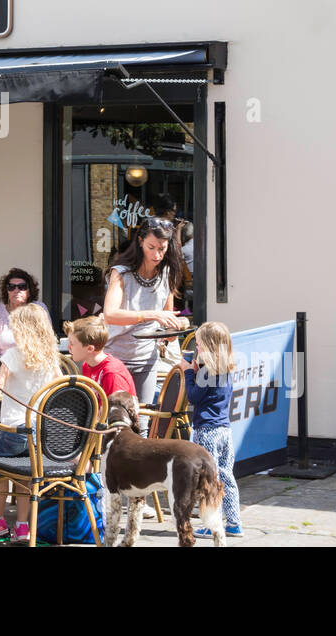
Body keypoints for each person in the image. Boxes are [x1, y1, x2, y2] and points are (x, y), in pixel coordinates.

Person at [0, 302, 60, 543]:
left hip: (13, 428)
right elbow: (60, 387)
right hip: (38, 430)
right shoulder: (50, 356)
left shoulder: (13, 355)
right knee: (25, 475)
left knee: (2, 474)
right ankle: (22, 526)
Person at [102, 217, 189, 406]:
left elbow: (166, 323)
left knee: (142, 424)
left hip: (147, 358)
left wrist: (175, 329)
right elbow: (110, 314)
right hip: (116, 358)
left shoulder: (168, 273)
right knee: (117, 423)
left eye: (162, 249)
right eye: (151, 247)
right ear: (140, 242)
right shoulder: (121, 273)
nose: (157, 255)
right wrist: (154, 315)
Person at [182, 321, 243, 539]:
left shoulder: (206, 371)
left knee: (208, 480)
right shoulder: (225, 369)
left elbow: (194, 397)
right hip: (224, 430)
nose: (196, 348)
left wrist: (189, 373)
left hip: (206, 430)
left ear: (209, 346)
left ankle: (211, 524)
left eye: (198, 345)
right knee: (226, 475)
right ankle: (234, 522)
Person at [64, 315, 137, 398]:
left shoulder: (112, 374)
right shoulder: (87, 365)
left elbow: (117, 409)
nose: (68, 347)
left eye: (72, 344)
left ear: (90, 349)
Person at [0, 268, 47, 359]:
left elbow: (47, 343)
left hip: (33, 365)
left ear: (29, 291)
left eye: (22, 286)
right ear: (6, 291)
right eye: (11, 287)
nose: (16, 290)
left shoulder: (39, 309)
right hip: (3, 366)